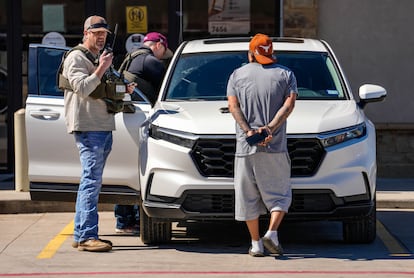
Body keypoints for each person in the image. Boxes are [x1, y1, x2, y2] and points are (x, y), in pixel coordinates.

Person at [62, 15, 135, 252]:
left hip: (102, 125)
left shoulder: (98, 57)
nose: (102, 37)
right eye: (97, 33)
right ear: (86, 33)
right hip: (89, 126)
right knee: (90, 181)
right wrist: (102, 67)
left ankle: (81, 232)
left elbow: (108, 87)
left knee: (91, 181)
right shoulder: (76, 57)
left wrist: (125, 88)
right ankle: (86, 236)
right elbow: (82, 87)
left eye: (104, 33)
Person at [226, 33, 298, 257]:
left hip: (246, 146)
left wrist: (249, 131)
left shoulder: (237, 75)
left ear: (251, 54)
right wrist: (270, 129)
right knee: (280, 195)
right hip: (274, 146)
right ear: (270, 52)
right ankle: (272, 233)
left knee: (247, 196)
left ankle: (256, 243)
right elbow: (289, 105)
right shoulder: (286, 74)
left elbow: (233, 106)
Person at [114, 32, 172, 234]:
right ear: (158, 45)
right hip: (140, 122)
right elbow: (170, 86)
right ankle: (132, 220)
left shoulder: (131, 58)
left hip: (126, 119)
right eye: (163, 52)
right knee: (140, 171)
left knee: (127, 172)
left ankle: (124, 221)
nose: (162, 57)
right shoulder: (149, 60)